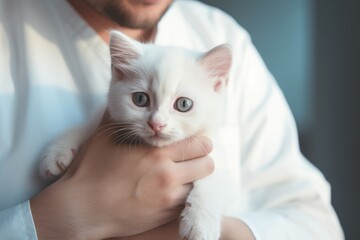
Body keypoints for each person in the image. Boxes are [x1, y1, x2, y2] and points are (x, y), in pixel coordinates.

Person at [0, 0, 344, 239]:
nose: (158, 122)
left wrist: (219, 230)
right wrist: (55, 221)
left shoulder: (219, 32)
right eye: (141, 100)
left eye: (181, 104)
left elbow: (316, 223)